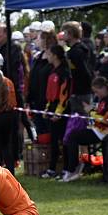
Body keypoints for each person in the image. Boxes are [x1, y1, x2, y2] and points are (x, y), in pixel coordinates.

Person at [60, 76, 108, 182]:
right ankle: (77, 166)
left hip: (103, 132)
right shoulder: (103, 100)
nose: (96, 95)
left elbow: (105, 119)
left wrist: (90, 111)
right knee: (72, 135)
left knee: (73, 137)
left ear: (104, 88)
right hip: (98, 129)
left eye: (97, 92)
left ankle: (73, 168)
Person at [40, 44, 69, 179]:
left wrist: (59, 111)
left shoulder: (64, 72)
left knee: (63, 140)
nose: (48, 56)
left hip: (61, 110)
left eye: (50, 54)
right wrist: (48, 108)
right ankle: (52, 169)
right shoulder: (53, 71)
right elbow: (50, 93)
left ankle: (66, 169)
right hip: (52, 108)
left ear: (55, 55)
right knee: (54, 141)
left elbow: (65, 94)